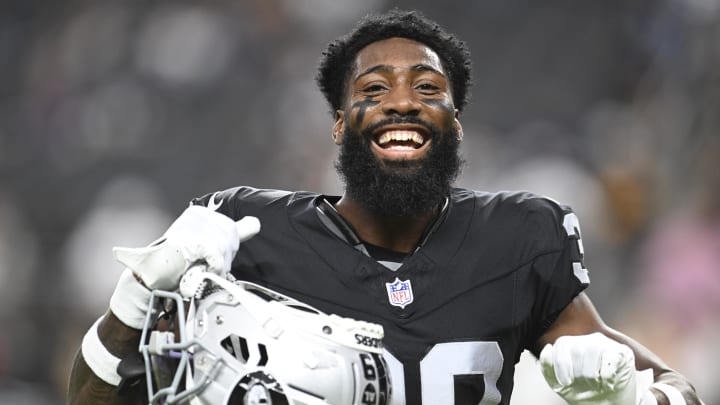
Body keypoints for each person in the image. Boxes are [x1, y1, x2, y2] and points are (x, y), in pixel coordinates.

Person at [67, 9, 702, 405]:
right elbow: (93, 399)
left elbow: (683, 390)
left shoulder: (519, 237)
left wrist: (631, 400)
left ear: (454, 122)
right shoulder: (248, 233)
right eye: (375, 89)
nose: (403, 102)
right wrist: (135, 300)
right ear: (341, 125)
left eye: (428, 89)